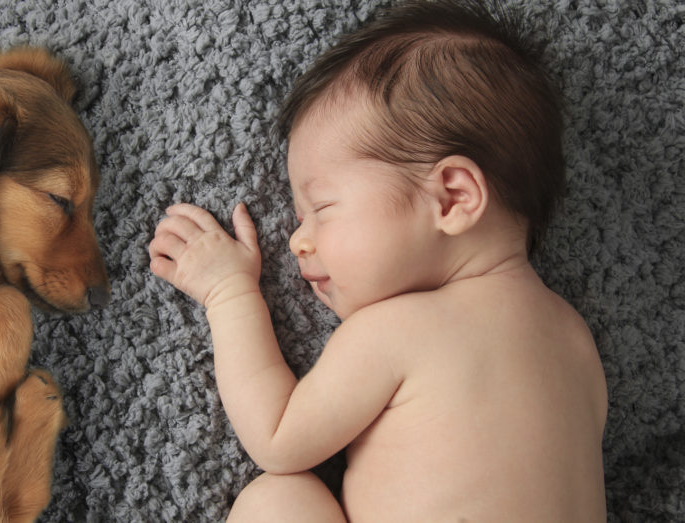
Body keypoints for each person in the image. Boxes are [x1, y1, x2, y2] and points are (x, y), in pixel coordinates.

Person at [147, 0, 608, 520]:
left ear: (452, 198)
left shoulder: (399, 329)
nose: (300, 240)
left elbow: (277, 436)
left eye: (321, 208)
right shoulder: (576, 339)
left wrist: (228, 293)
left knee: (278, 499)